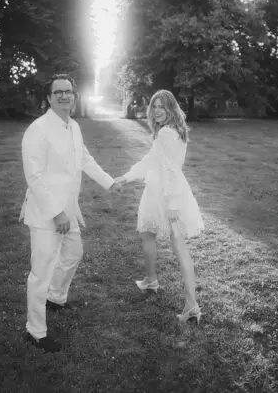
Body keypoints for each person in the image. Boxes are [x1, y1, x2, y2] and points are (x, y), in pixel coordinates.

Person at [19, 74, 117, 353]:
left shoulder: (73, 126)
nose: (64, 96)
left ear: (74, 96)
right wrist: (56, 213)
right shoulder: (37, 130)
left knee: (73, 254)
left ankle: (56, 297)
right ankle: (35, 331)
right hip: (46, 214)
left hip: (69, 210)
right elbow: (34, 178)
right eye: (58, 92)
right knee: (41, 272)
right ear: (48, 98)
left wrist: (110, 182)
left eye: (69, 91)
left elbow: (84, 159)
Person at [114, 89, 205, 323]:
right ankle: (151, 280)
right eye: (154, 106)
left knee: (178, 246)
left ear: (171, 108)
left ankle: (192, 305)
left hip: (167, 194)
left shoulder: (166, 133)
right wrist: (126, 177)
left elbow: (171, 169)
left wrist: (173, 203)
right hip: (160, 189)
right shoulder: (173, 130)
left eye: (162, 107)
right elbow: (151, 161)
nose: (157, 111)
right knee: (147, 232)